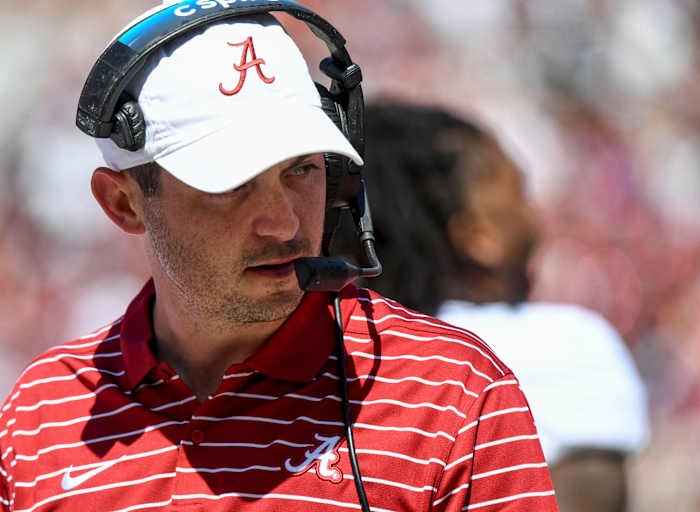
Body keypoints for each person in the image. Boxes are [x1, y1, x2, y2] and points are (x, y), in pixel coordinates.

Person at [0, 3, 559, 511]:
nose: (285, 223)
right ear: (123, 203)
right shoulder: (38, 420)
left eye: (301, 169)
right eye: (231, 185)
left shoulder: (451, 391)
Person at [337, 102, 649, 512]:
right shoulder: (569, 345)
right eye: (520, 191)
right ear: (478, 236)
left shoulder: (344, 353)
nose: (535, 215)